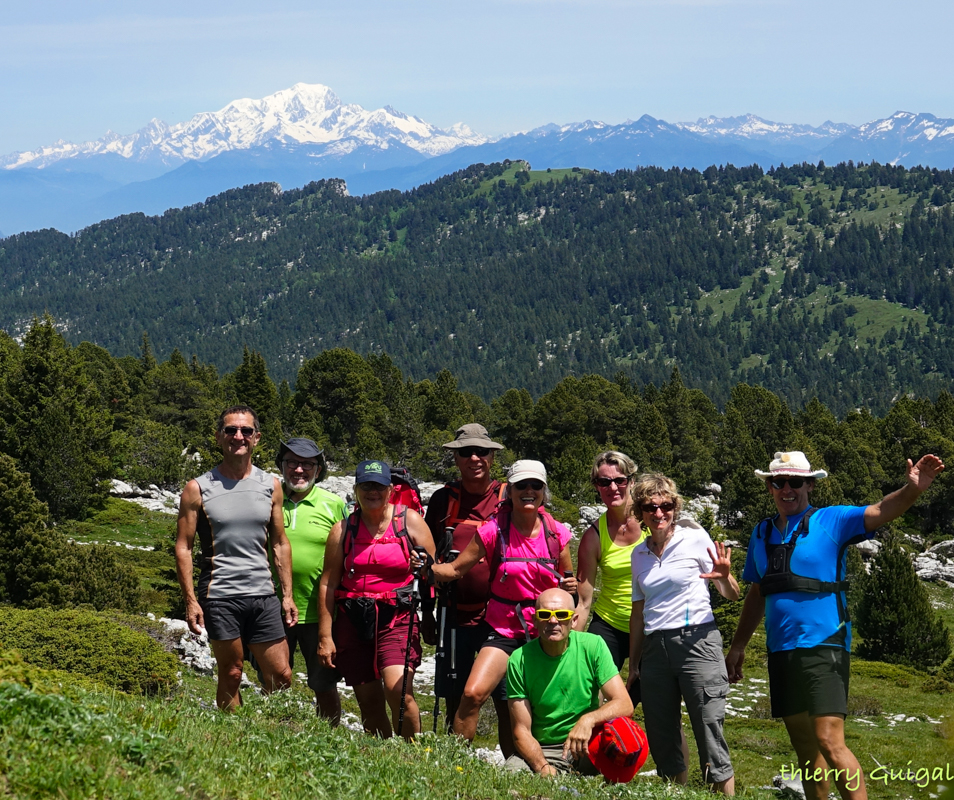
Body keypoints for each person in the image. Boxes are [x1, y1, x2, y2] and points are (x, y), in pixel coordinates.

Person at [726, 450, 945, 800]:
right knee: (805, 749)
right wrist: (738, 646)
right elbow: (757, 592)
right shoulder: (761, 533)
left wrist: (913, 490)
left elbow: (879, 511)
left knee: (829, 741)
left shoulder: (832, 520)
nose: (787, 489)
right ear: (769, 487)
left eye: (795, 482)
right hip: (781, 649)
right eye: (779, 482)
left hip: (825, 643)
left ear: (810, 485)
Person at [417, 460, 577, 747]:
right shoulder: (493, 530)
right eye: (521, 486)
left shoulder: (556, 533)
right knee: (472, 694)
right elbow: (455, 570)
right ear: (510, 490)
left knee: (520, 708)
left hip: (544, 629)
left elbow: (568, 582)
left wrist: (572, 588)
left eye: (535, 485)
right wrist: (426, 568)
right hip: (503, 628)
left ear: (543, 491)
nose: (529, 491)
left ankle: (526, 766)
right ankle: (452, 760)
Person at [175, 405, 297, 711]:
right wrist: (190, 600)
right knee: (231, 673)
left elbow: (280, 543)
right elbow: (184, 547)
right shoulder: (197, 488)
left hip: (263, 593)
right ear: (219, 437)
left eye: (245, 431)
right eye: (230, 430)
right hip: (220, 594)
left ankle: (273, 735)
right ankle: (233, 736)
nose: (238, 436)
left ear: (256, 438)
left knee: (281, 676)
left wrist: (287, 595)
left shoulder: (271, 485)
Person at [627, 473, 738, 795]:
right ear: (641, 511)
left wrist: (725, 578)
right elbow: (638, 612)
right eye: (650, 507)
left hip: (698, 642)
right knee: (662, 733)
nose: (659, 513)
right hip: (655, 648)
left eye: (666, 505)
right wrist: (635, 665)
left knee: (708, 727)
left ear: (675, 507)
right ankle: (675, 793)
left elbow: (731, 593)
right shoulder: (639, 555)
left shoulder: (695, 539)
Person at [317, 460, 436, 740]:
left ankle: (413, 755)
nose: (373, 492)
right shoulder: (343, 530)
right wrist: (326, 636)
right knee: (368, 699)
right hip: (353, 620)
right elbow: (328, 583)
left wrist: (425, 567)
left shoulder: (410, 522)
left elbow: (433, 572)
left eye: (379, 486)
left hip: (397, 617)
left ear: (391, 490)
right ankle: (381, 757)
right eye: (367, 486)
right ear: (356, 489)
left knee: (399, 690)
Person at [423, 423, 511, 751]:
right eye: (465, 452)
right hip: (452, 615)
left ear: (492, 456)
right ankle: (454, 760)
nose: (474, 458)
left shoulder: (507, 497)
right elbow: (428, 563)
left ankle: (513, 764)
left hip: (499, 618)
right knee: (455, 692)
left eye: (481, 452)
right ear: (456, 458)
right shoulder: (443, 500)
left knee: (506, 697)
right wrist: (426, 613)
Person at [505, 587, 635, 777]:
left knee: (629, 736)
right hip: (545, 748)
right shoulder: (519, 659)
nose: (553, 621)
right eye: (544, 614)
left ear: (574, 620)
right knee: (512, 775)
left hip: (587, 742)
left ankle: (609, 782)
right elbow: (521, 730)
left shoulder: (593, 645)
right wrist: (542, 766)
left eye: (561, 614)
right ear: (535, 620)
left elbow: (624, 704)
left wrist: (588, 720)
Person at [272, 437, 346, 723]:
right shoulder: (270, 498)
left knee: (324, 683)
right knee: (274, 677)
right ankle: (273, 733)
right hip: (273, 608)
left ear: (319, 468)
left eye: (307, 464)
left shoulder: (334, 504)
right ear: (282, 464)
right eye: (292, 462)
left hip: (320, 612)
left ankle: (328, 739)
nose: (299, 470)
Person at [573, 451, 646, 700]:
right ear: (597, 486)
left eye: (620, 480)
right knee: (591, 693)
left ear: (632, 482)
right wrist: (572, 645)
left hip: (651, 625)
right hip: (610, 624)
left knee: (657, 705)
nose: (612, 487)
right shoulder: (593, 536)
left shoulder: (652, 521)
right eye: (604, 482)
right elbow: (583, 602)